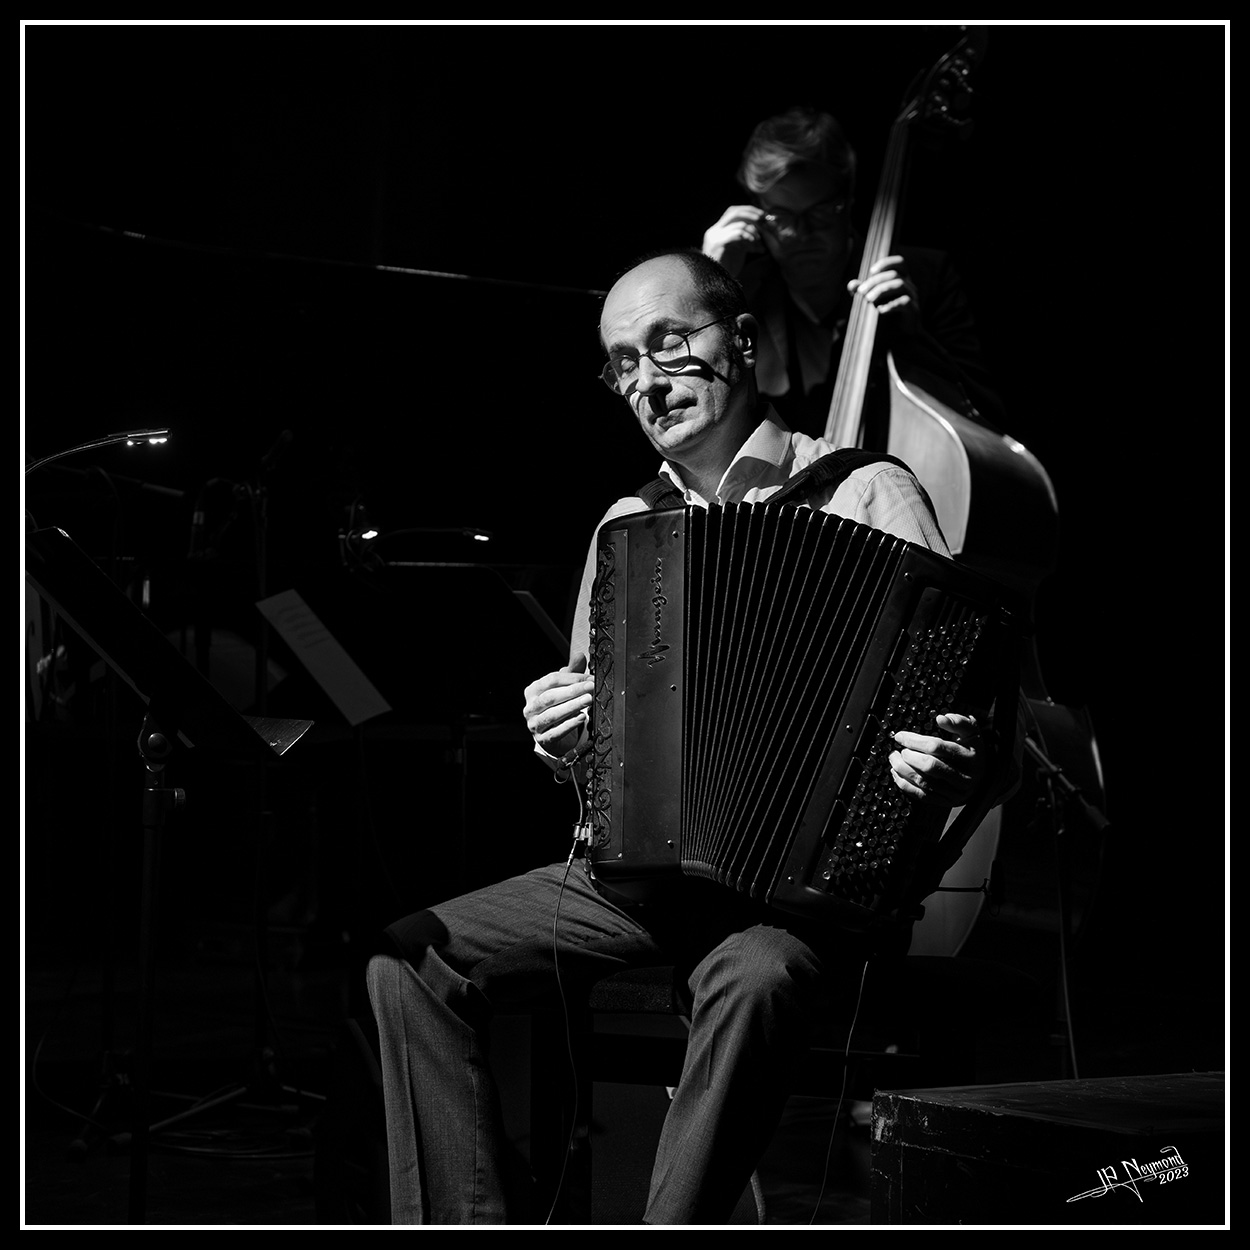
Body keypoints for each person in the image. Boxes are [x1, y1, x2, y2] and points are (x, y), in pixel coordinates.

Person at [365, 249, 999, 1225]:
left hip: (804, 892)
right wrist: (562, 737)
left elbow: (963, 721)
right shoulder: (626, 527)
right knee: (410, 959)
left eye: (668, 345)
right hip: (639, 882)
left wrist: (942, 761)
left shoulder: (865, 490)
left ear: (740, 341)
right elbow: (598, 754)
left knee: (756, 977)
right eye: (623, 363)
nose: (648, 380)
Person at [701, 105, 1004, 441]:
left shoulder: (925, 276)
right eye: (780, 216)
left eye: (820, 211)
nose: (801, 233)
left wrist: (914, 339)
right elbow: (698, 412)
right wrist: (704, 282)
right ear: (755, 211)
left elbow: (988, 415)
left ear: (848, 198)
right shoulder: (739, 293)